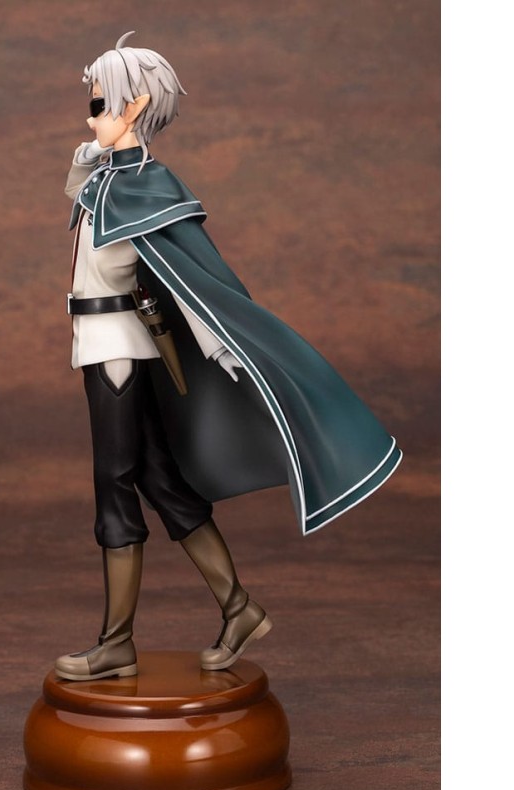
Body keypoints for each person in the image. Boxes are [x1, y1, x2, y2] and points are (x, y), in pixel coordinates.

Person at [54, 32, 402, 682]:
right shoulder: (107, 182)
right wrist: (89, 156)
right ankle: (239, 607)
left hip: (118, 352)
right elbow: (84, 208)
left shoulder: (147, 186)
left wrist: (221, 343)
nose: (91, 116)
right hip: (100, 346)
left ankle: (116, 643)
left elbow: (194, 280)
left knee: (115, 486)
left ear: (135, 107)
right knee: (160, 482)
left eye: (101, 104)